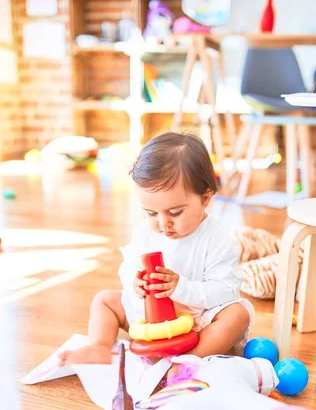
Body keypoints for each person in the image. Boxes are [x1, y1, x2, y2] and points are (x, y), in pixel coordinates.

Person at [58, 131, 253, 366]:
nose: (163, 223)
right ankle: (99, 347)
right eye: (151, 213)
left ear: (205, 197)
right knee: (104, 300)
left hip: (195, 322)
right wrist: (135, 281)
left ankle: (189, 361)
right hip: (149, 320)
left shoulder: (217, 241)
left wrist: (181, 288)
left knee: (237, 315)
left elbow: (225, 291)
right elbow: (128, 266)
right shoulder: (145, 232)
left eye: (175, 212)